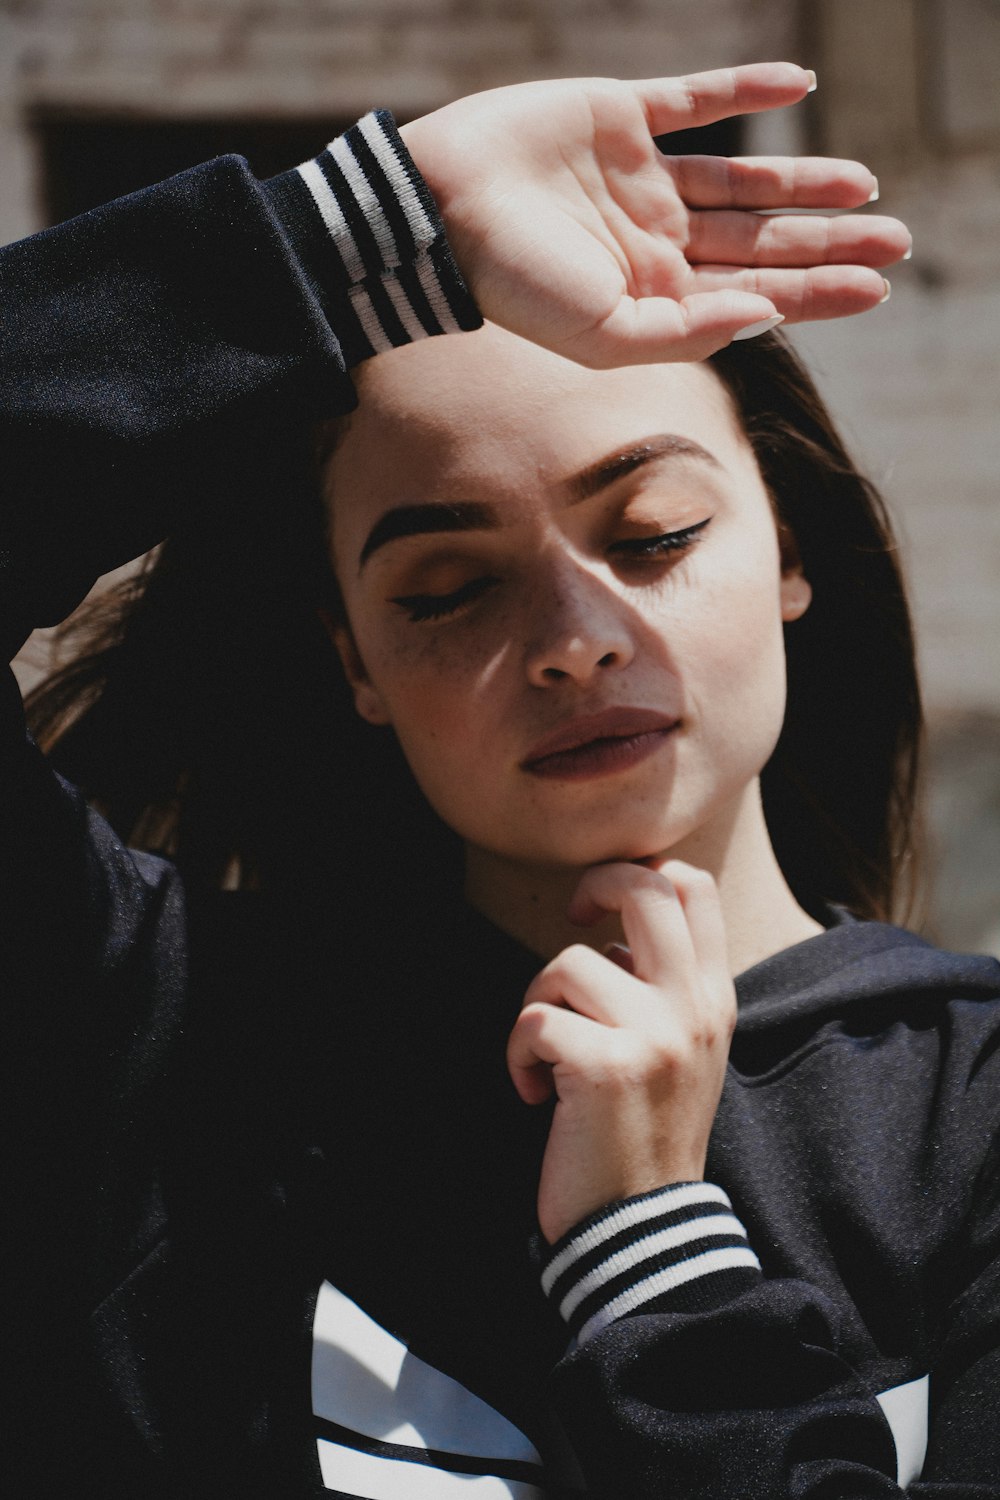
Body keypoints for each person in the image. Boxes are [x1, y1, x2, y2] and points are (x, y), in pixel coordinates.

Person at [3, 59, 997, 1498]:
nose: (574, 644)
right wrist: (356, 237)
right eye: (450, 587)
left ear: (788, 554)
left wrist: (648, 1258)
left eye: (651, 532)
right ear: (352, 660)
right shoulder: (163, 1042)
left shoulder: (969, 1119)